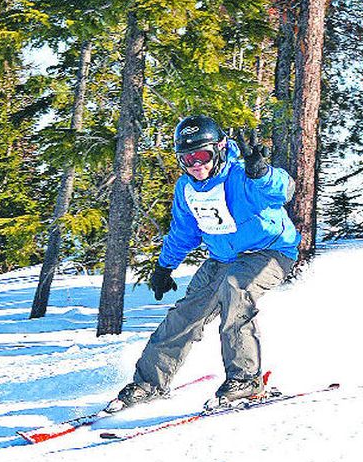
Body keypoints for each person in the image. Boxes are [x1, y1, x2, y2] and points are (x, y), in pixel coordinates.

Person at [117, 115, 301, 408]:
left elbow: (283, 191)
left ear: (220, 148)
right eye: (187, 159)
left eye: (202, 155)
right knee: (186, 314)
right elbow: (183, 232)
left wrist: (263, 173)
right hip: (223, 258)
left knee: (235, 291)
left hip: (270, 251)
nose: (196, 165)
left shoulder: (242, 174)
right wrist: (165, 266)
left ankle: (245, 380)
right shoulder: (186, 189)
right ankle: (148, 383)